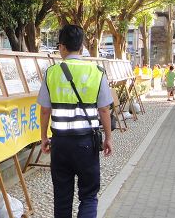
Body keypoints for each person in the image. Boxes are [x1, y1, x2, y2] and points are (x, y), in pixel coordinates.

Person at [38, 25, 113, 218]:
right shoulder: (97, 71)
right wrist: (108, 138)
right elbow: (104, 109)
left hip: (60, 143)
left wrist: (43, 138)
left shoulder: (51, 72)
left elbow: (45, 110)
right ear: (82, 46)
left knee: (62, 196)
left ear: (62, 47)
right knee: (88, 195)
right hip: (87, 143)